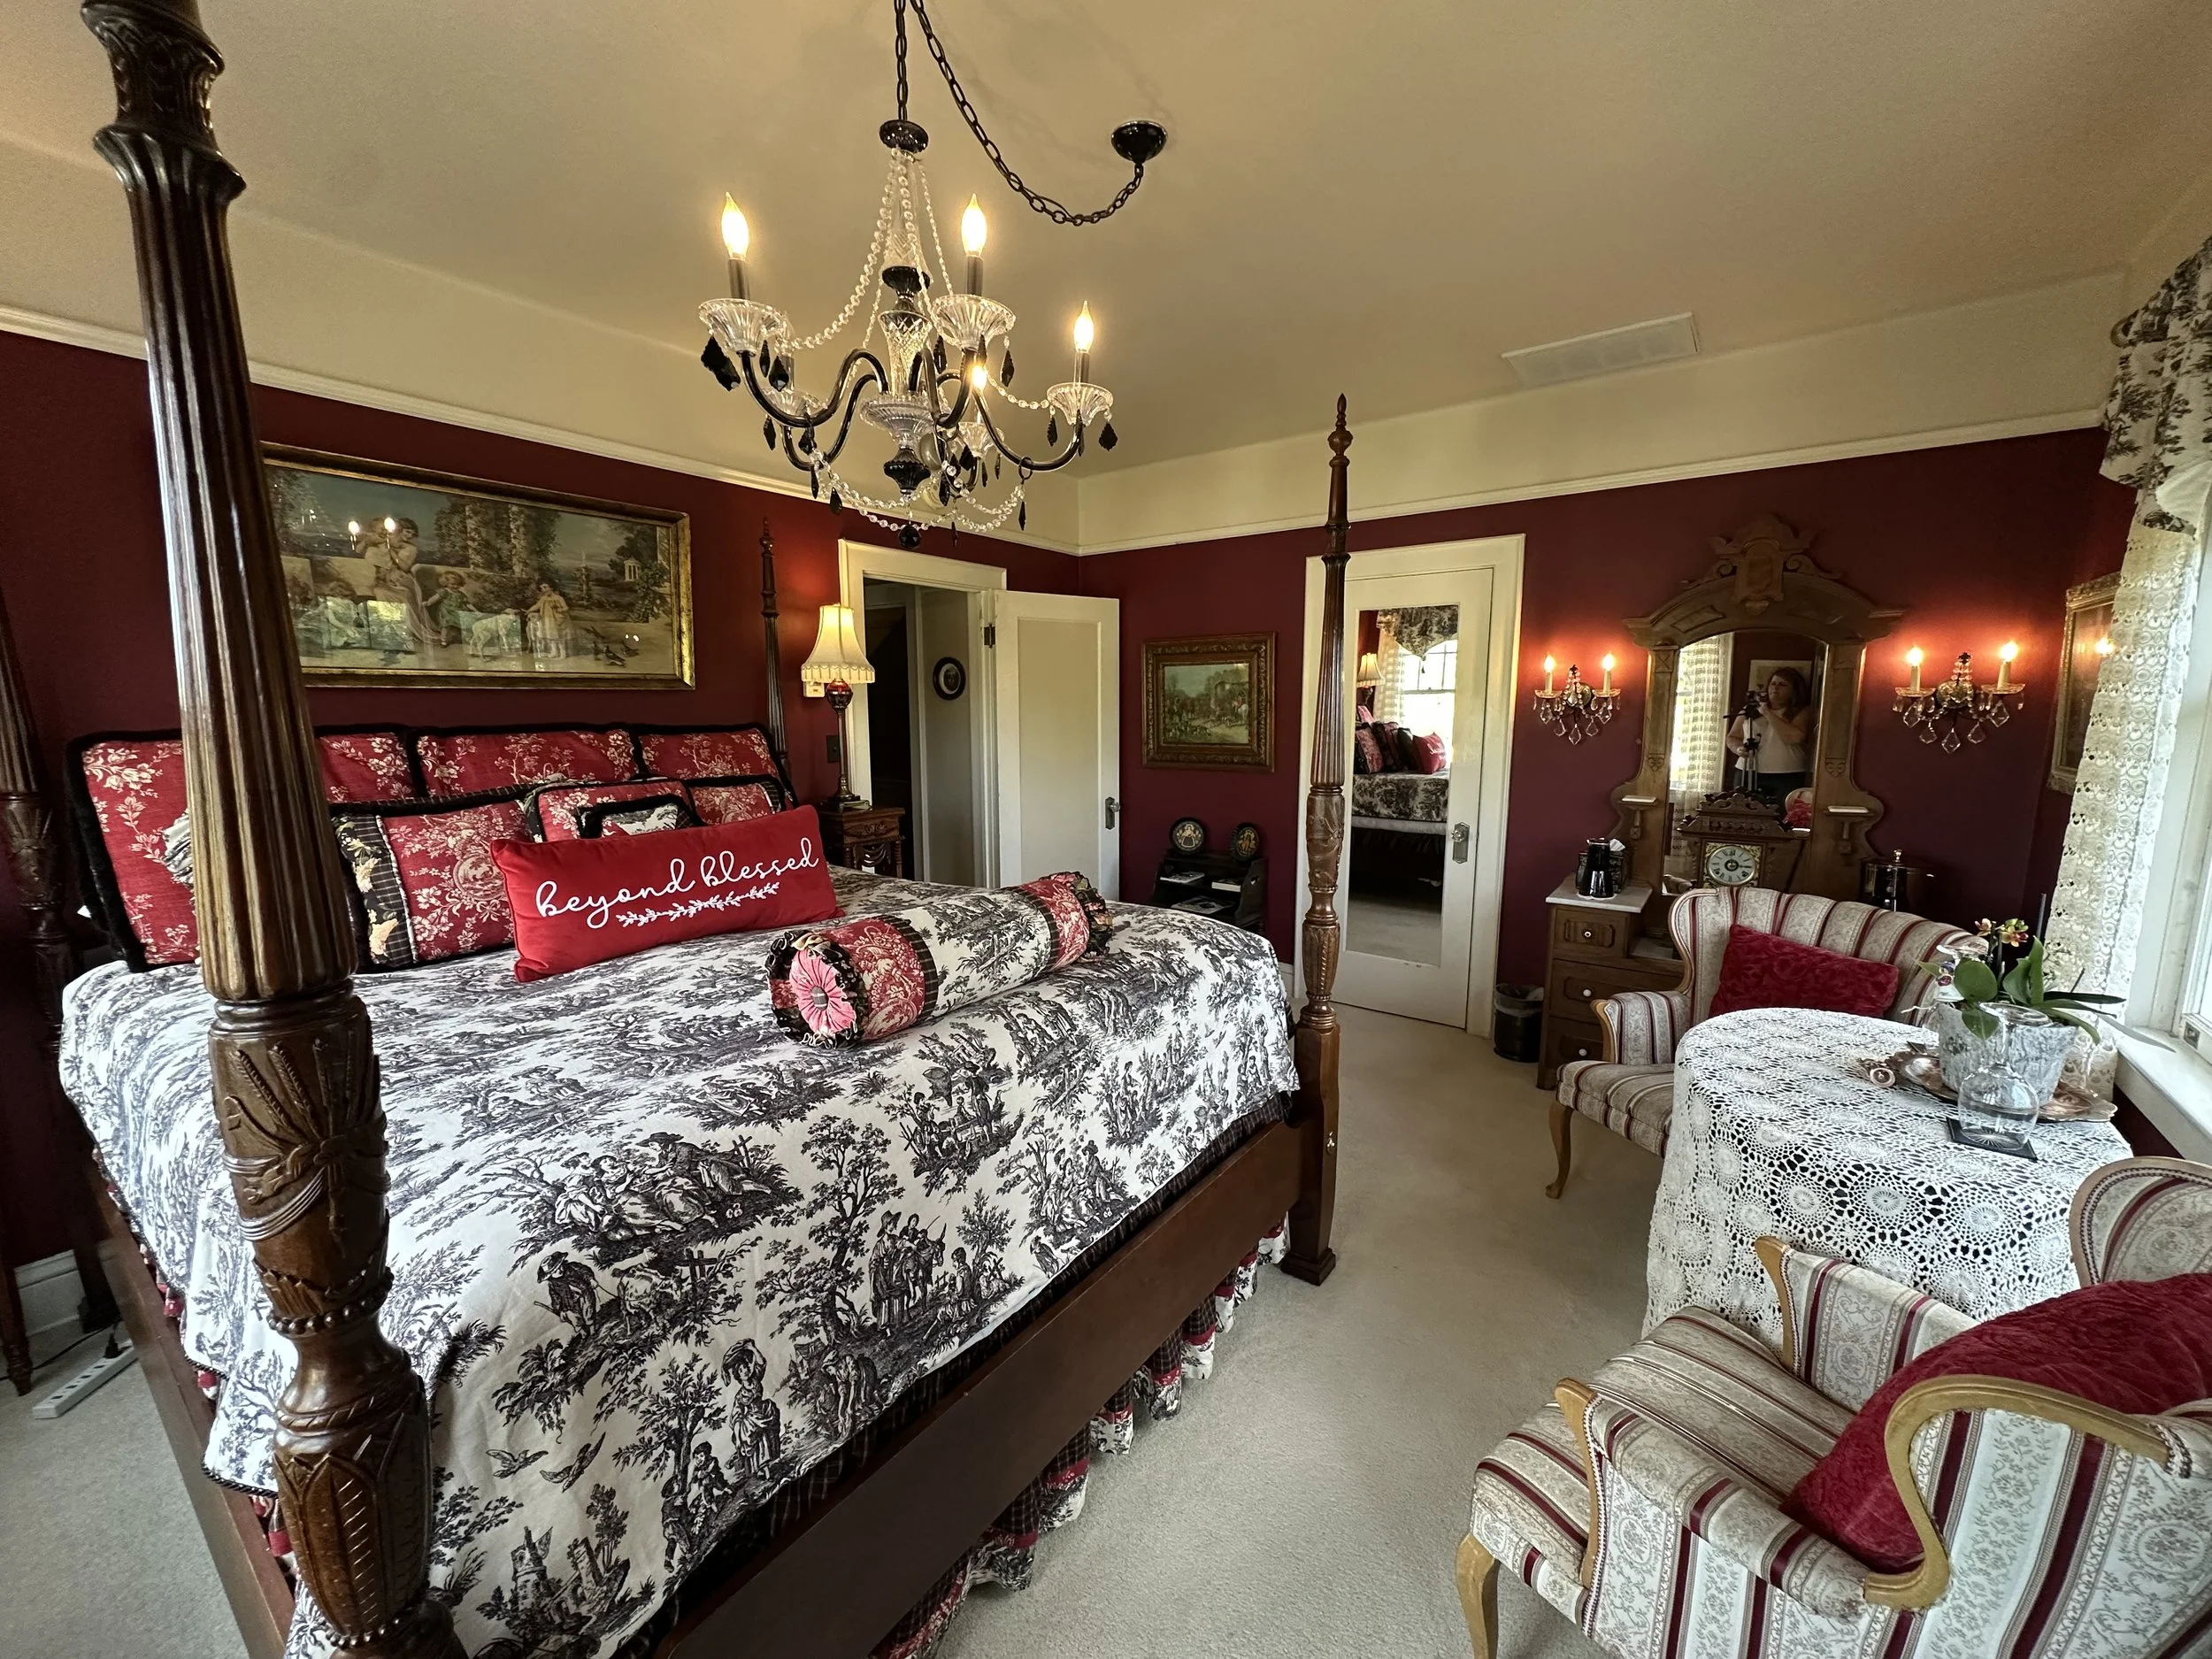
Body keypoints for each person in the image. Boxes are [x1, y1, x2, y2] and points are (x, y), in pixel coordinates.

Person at [1726, 666, 1815, 802]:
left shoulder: (1802, 711)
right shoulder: (1749, 709)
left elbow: (1794, 737)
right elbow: (1732, 737)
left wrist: (1767, 712)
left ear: (1794, 690)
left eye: (1782, 685)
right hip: (1747, 771)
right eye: (1773, 684)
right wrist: (1739, 749)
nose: (1775, 688)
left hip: (1787, 774)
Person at [526, 580, 573, 659]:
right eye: (542, 588)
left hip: (557, 619)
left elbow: (566, 608)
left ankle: (562, 652)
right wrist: (529, 610)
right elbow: (537, 605)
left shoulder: (559, 598)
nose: (543, 590)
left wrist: (559, 609)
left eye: (545, 587)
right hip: (547, 619)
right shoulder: (543, 598)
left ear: (551, 588)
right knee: (550, 636)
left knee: (559, 636)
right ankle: (554, 652)